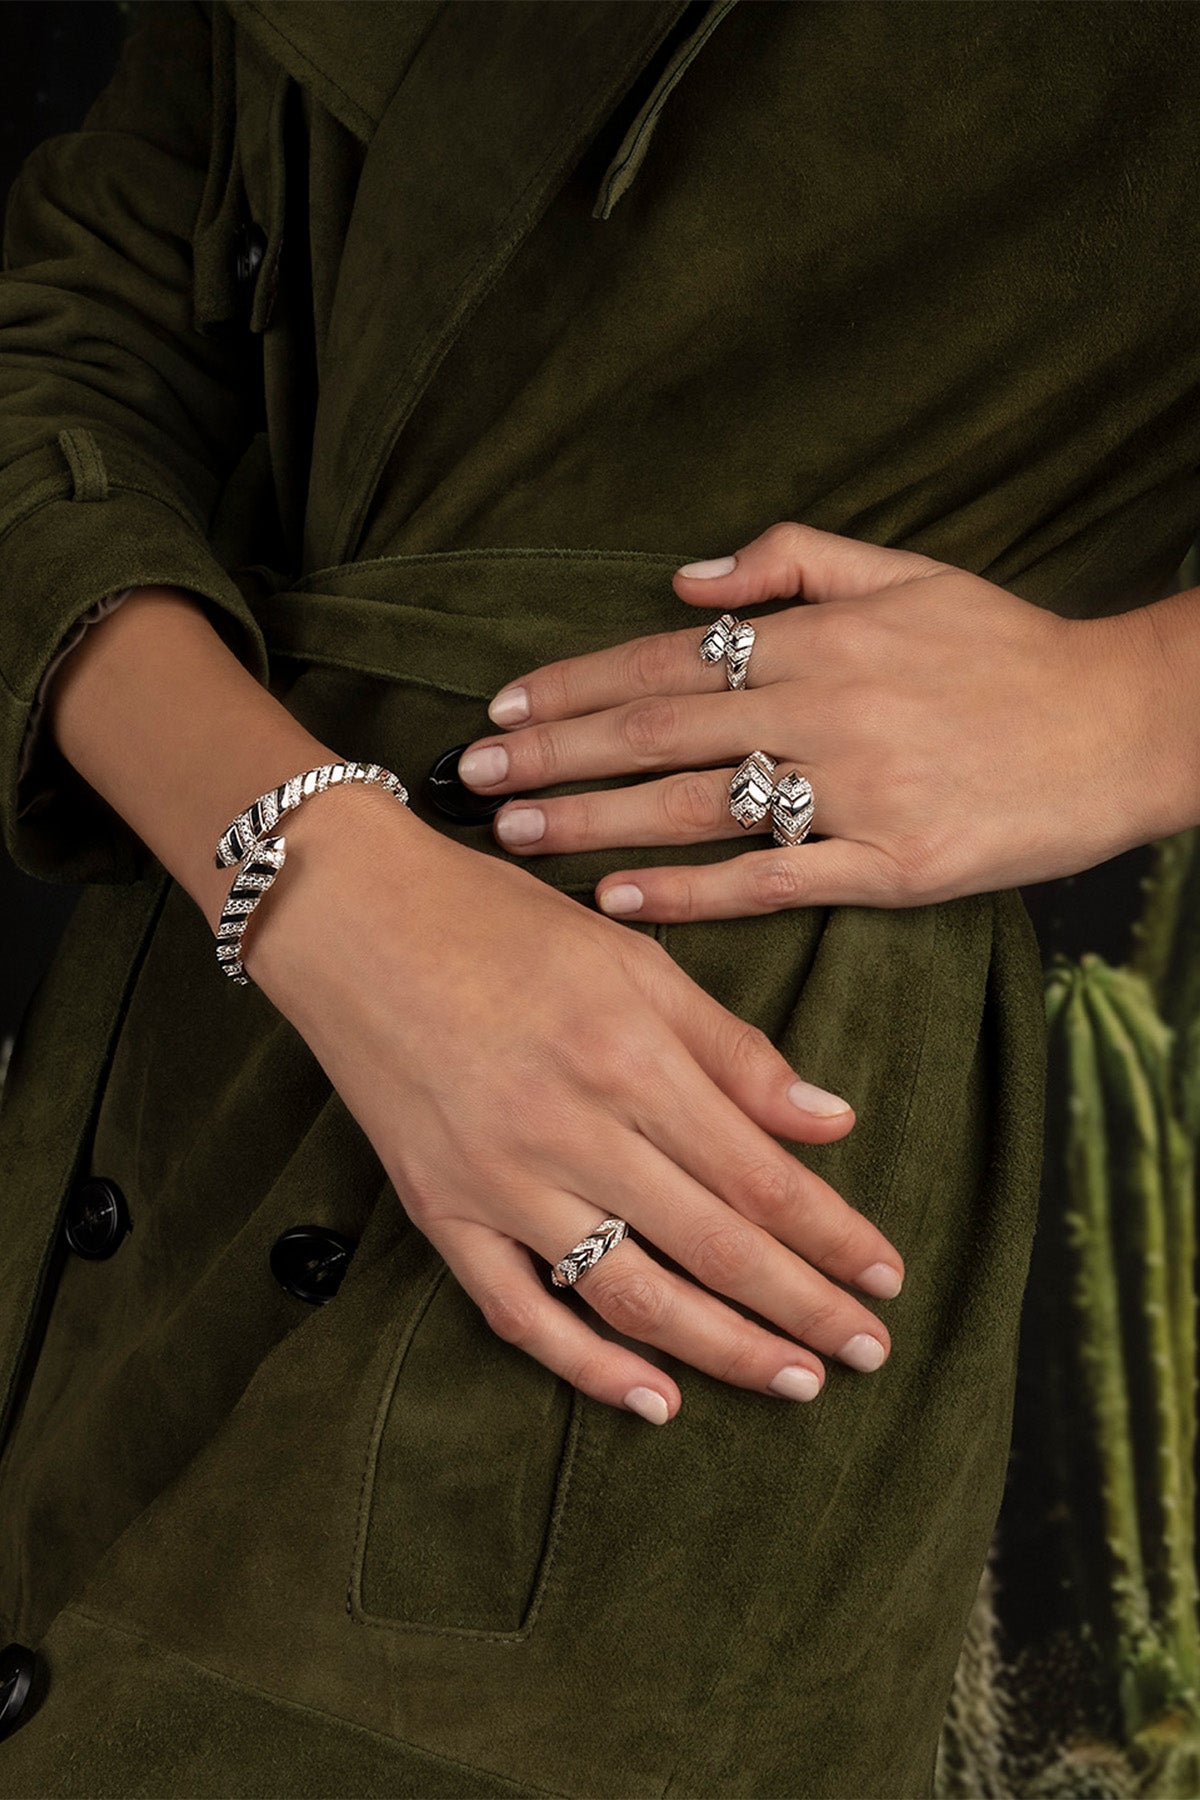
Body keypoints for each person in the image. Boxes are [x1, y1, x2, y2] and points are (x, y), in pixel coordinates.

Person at [0, 1, 1198, 1794]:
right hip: (182, 1028)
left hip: (689, 1126)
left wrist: (1132, 710)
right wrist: (314, 875)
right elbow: (73, 340)